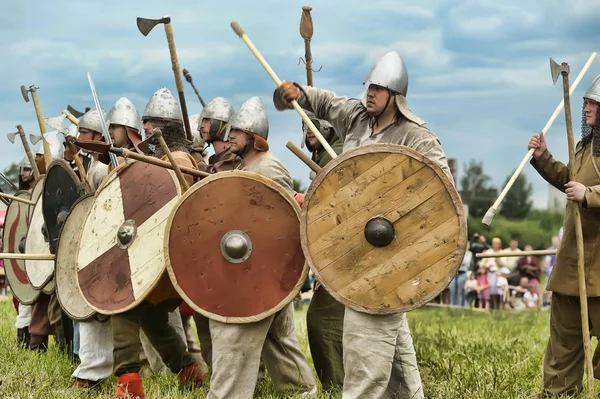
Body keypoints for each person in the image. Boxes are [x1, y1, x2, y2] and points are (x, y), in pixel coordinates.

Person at [274, 50, 454, 399]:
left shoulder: (415, 136)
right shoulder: (357, 117)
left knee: (364, 355)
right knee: (398, 357)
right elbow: (326, 103)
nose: (369, 93)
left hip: (391, 253)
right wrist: (298, 92)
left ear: (395, 95)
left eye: (378, 88)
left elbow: (441, 195)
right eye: (368, 86)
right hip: (358, 247)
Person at [204, 96, 316, 399]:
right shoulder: (241, 169)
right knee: (278, 344)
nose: (231, 136)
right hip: (254, 271)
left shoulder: (270, 168)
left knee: (233, 339)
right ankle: (301, 392)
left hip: (262, 272)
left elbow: (281, 225)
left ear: (255, 138)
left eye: (238, 132)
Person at [528, 74, 600, 396]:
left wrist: (590, 194)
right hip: (573, 266)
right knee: (563, 348)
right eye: (585, 101)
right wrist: (543, 158)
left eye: (591, 102)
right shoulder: (585, 147)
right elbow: (569, 181)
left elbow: (585, 191)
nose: (585, 107)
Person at [293, 111, 345, 390]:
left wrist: (306, 200)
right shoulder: (324, 155)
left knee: (322, 320)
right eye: (305, 123)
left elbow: (338, 204)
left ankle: (337, 387)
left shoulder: (335, 153)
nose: (309, 129)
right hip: (334, 256)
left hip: (345, 255)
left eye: (315, 123)